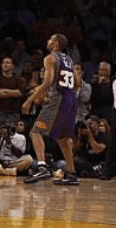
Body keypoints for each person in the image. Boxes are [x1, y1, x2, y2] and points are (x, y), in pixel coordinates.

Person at [23, 33, 79, 185]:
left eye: (50, 39)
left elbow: (47, 82)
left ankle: (42, 167)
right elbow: (77, 84)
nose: (48, 41)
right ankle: (72, 173)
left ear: (55, 43)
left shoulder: (50, 58)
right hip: (71, 99)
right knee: (63, 138)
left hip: (59, 98)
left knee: (36, 131)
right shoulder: (69, 59)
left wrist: (30, 100)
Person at [0, 56, 27, 132]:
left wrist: (4, 91)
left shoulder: (19, 79)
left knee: (13, 135)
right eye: (3, 63)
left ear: (13, 66)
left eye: (8, 63)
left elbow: (20, 93)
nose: (5, 64)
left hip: (14, 112)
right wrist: (13, 92)